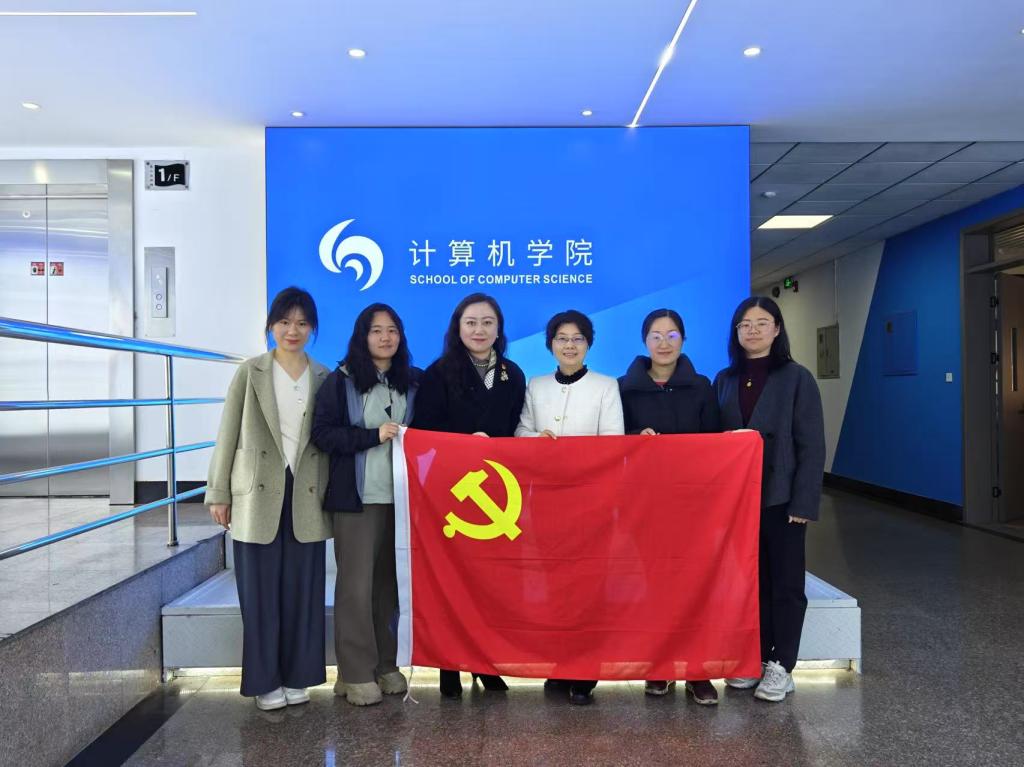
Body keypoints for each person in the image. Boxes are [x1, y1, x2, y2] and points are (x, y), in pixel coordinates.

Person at [206, 287, 333, 711]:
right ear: (271, 326)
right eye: (284, 322)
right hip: (256, 493)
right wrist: (218, 491)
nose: (292, 330)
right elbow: (228, 433)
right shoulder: (251, 372)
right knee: (259, 594)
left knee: (303, 591)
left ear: (312, 328)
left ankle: (299, 676)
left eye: (301, 323)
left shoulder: (323, 376)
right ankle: (265, 682)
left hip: (307, 493)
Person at [411, 292, 527, 698]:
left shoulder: (513, 373)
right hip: (451, 491)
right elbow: (423, 430)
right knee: (450, 579)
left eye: (487, 322)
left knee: (490, 581)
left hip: (498, 491)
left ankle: (484, 662)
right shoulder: (438, 373)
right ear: (457, 328)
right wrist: (463, 442)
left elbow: (517, 428)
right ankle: (449, 665)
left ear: (499, 329)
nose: (479, 330)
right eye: (471, 322)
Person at [713, 296, 825, 702]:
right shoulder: (725, 379)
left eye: (762, 323)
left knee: (786, 583)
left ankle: (782, 664)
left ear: (777, 329)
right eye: (745, 324)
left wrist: (803, 503)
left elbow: (812, 445)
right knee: (751, 581)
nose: (753, 330)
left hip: (782, 498)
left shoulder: (797, 377)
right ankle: (756, 657)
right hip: (739, 501)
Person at [311, 303, 421, 706]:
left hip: (402, 500)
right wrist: (371, 436)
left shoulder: (413, 380)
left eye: (392, 330)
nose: (385, 337)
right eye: (376, 330)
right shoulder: (340, 382)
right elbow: (323, 434)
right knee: (355, 588)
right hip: (357, 500)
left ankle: (386, 665)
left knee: (390, 587)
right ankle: (355, 672)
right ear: (362, 336)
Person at [516, 309, 624, 705]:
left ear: (588, 343)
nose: (569, 345)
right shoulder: (537, 385)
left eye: (577, 338)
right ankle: (559, 663)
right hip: (547, 500)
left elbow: (613, 441)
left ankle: (585, 671)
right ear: (550, 344)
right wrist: (536, 440)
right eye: (562, 338)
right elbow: (521, 430)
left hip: (591, 502)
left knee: (589, 586)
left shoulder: (605, 386)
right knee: (555, 585)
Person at [618, 308, 721, 705]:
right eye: (656, 336)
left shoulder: (702, 386)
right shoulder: (624, 388)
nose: (664, 343)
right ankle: (659, 666)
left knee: (695, 585)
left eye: (672, 335)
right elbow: (612, 441)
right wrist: (635, 436)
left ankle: (697, 670)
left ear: (684, 339)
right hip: (645, 504)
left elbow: (715, 443)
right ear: (645, 341)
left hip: (693, 504)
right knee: (654, 586)